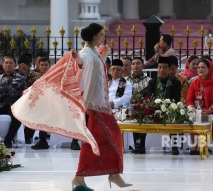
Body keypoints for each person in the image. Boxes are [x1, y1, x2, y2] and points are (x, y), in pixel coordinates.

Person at [71, 23, 132, 189]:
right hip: (96, 106)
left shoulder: (93, 52)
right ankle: (81, 177)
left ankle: (113, 174)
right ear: (93, 37)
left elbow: (94, 67)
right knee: (97, 141)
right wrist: (78, 60)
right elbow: (83, 63)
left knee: (106, 139)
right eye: (101, 34)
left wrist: (103, 55)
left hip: (101, 105)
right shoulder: (86, 52)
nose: (103, 37)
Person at [186, 58, 213, 155]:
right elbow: (189, 99)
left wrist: (209, 110)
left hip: (210, 110)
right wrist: (193, 108)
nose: (200, 69)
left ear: (209, 69)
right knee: (193, 117)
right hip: (196, 110)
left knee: (204, 117)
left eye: (203, 67)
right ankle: (194, 145)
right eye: (198, 68)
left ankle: (202, 145)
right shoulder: (194, 82)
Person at [146, 56, 181, 155]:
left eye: (165, 67)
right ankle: (140, 145)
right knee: (142, 112)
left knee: (174, 115)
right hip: (154, 108)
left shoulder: (176, 83)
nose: (162, 70)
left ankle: (174, 146)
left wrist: (166, 106)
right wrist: (154, 105)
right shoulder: (152, 82)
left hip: (170, 108)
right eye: (160, 67)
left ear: (170, 69)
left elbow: (176, 99)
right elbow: (148, 96)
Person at [125, 57, 151, 154]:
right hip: (128, 107)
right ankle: (134, 143)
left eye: (138, 63)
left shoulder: (149, 80)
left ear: (143, 66)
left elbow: (150, 96)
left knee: (142, 114)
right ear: (131, 66)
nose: (136, 65)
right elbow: (120, 94)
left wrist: (141, 104)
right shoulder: (124, 80)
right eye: (134, 63)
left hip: (143, 107)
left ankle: (142, 144)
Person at [0, 55, 26, 148]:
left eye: (11, 63)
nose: (8, 65)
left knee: (17, 118)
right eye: (6, 63)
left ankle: (8, 140)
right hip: (1, 104)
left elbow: (22, 94)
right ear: (2, 65)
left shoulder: (21, 79)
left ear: (15, 65)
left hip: (14, 104)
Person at [17, 54, 42, 144]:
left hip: (31, 101)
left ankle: (28, 136)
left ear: (30, 66)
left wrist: (25, 73)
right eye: (20, 66)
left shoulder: (36, 75)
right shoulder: (15, 74)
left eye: (25, 66)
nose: (22, 68)